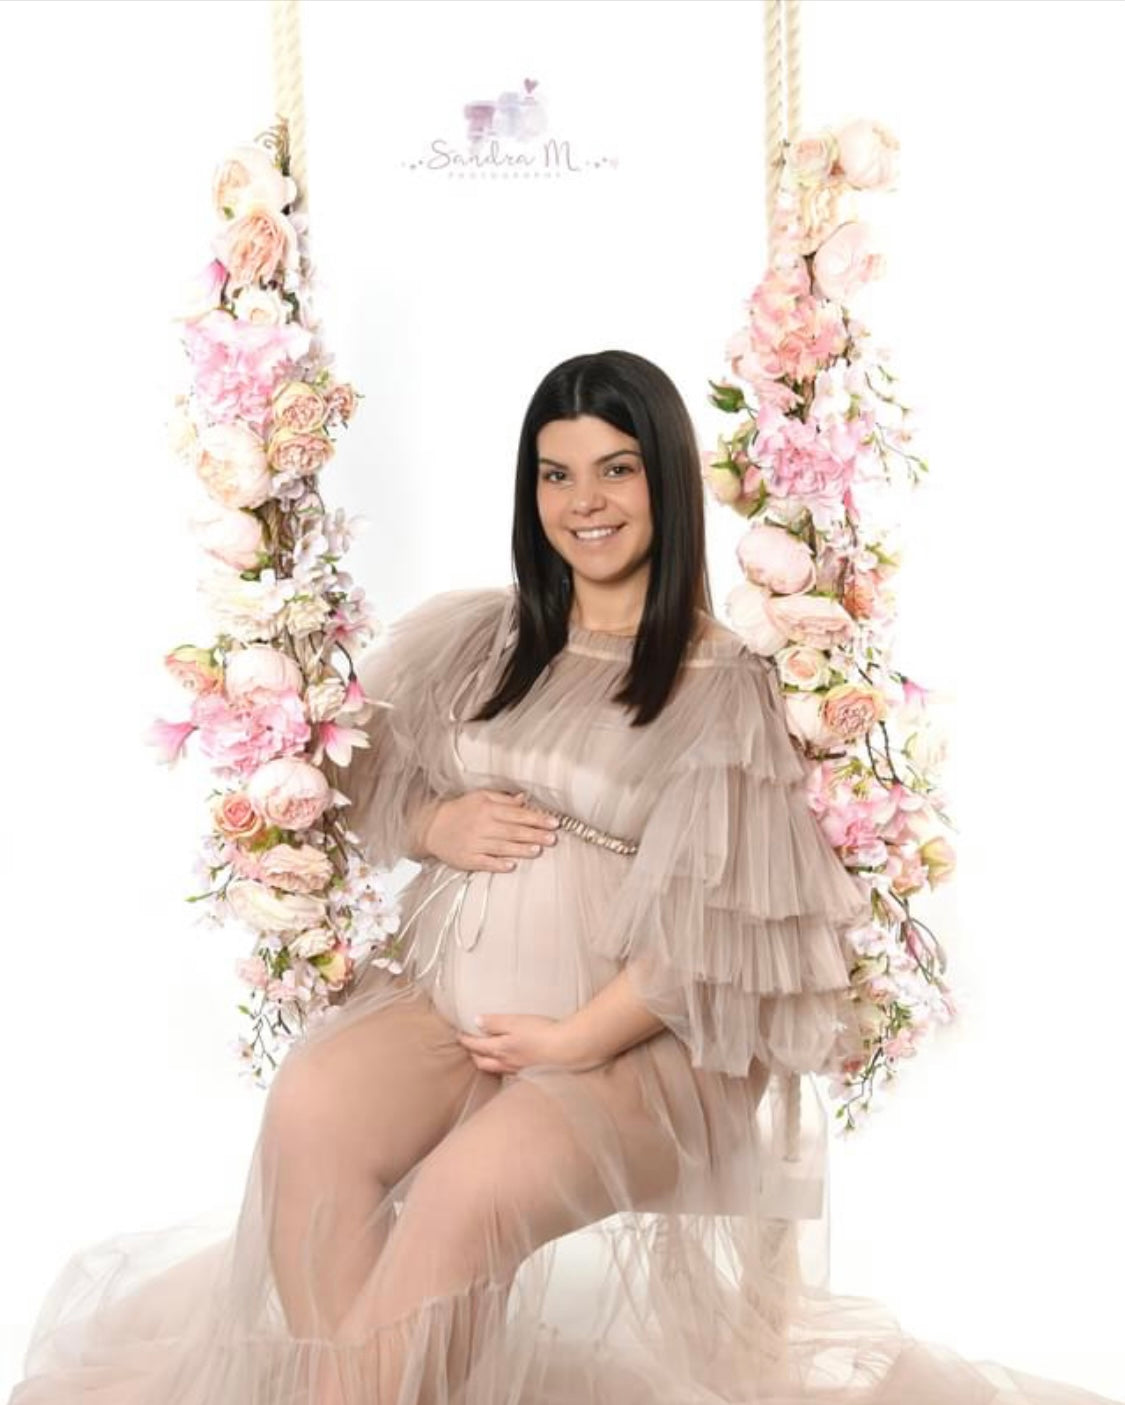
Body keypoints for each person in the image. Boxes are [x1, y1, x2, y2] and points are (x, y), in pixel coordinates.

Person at [8, 350, 1119, 1405]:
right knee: (313, 1114)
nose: (583, 500)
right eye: (556, 473)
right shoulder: (482, 638)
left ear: (667, 481)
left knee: (460, 1196)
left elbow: (724, 934)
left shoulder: (722, 684)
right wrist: (438, 819)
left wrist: (577, 1038)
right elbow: (364, 780)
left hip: (621, 1044)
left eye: (616, 468)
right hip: (443, 999)